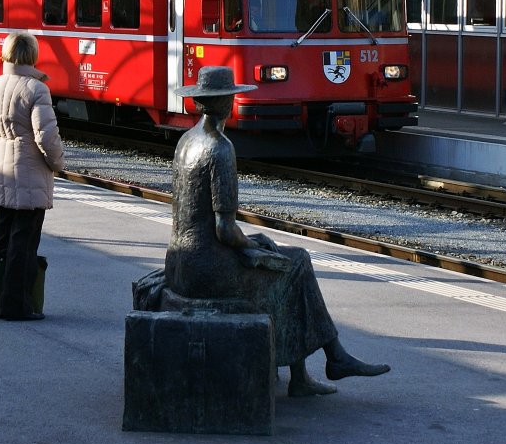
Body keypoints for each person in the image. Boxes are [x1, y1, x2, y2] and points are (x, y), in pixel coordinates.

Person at [161, 66, 390, 396]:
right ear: (228, 101)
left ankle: (307, 374)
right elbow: (225, 230)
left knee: (278, 256)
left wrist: (254, 241)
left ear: (199, 103)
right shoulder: (220, 148)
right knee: (294, 264)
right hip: (206, 269)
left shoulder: (187, 140)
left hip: (180, 262)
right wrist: (249, 248)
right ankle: (330, 359)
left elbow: (202, 221)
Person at [0, 31, 65, 321]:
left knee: (3, 239)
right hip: (30, 176)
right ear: (33, 56)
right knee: (24, 243)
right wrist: (57, 163)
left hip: (2, 174)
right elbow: (47, 137)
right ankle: (16, 305)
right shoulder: (37, 90)